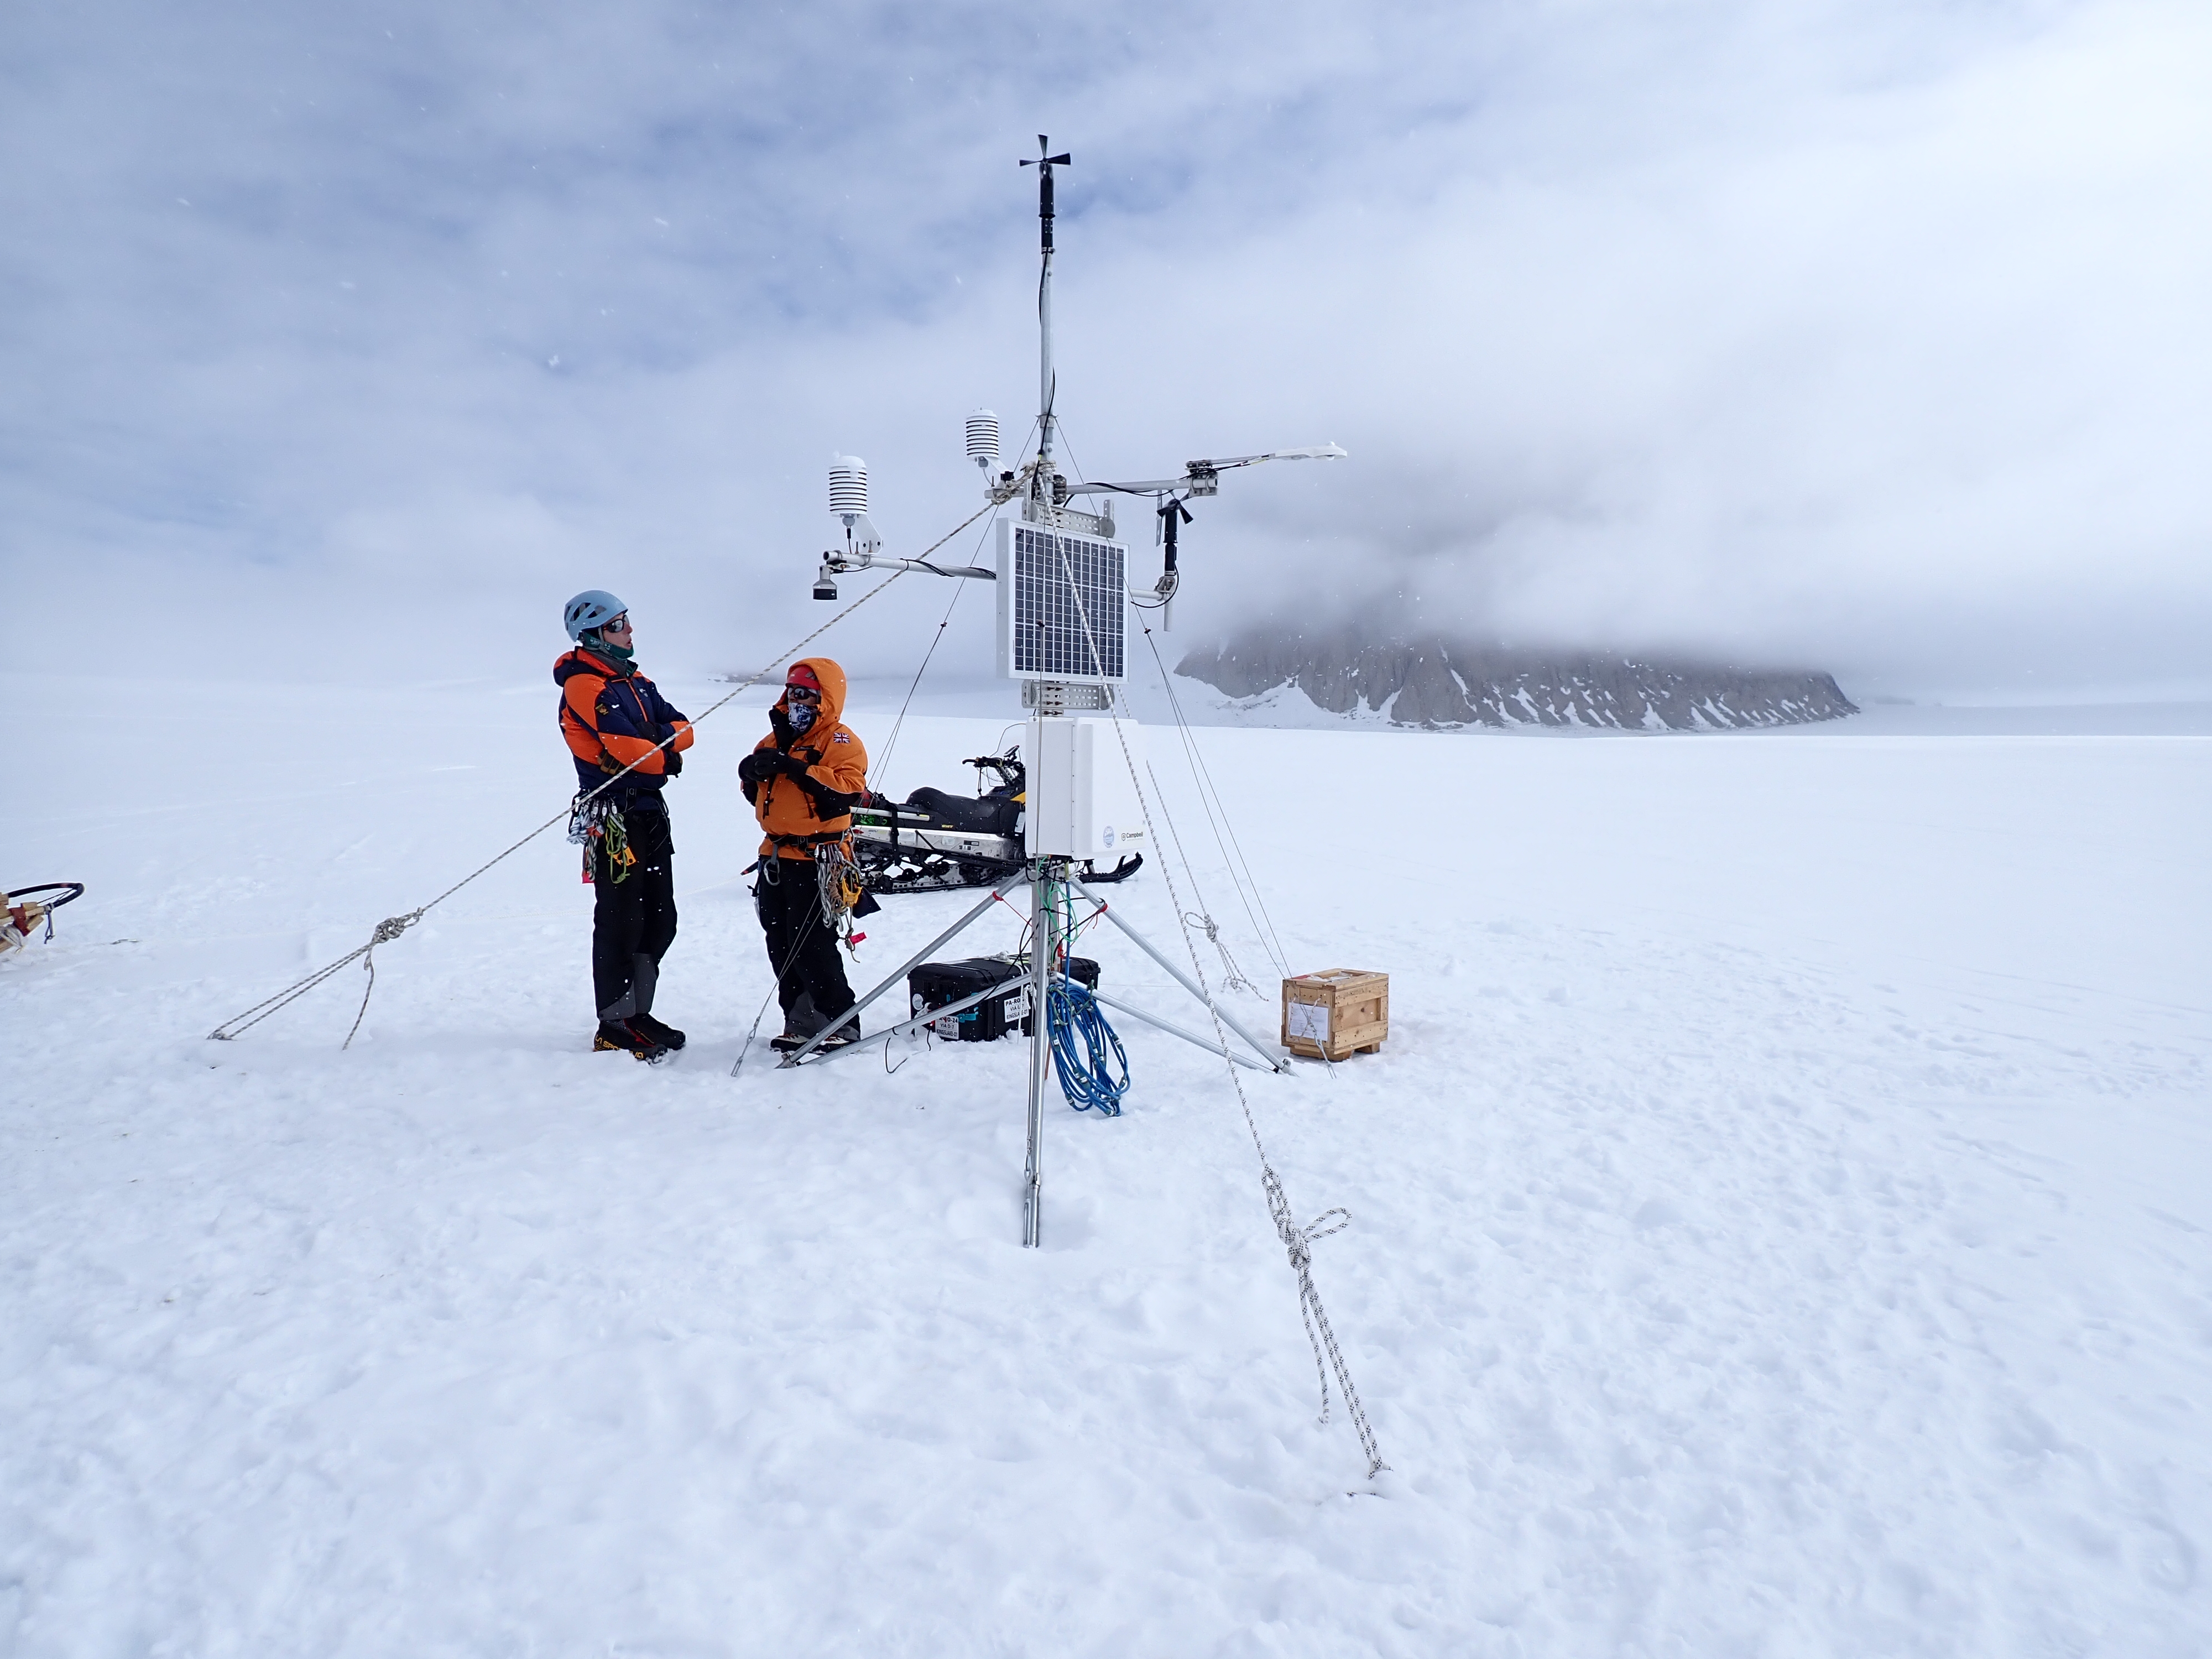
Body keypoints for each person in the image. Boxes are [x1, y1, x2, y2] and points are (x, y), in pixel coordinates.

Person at [556, 590, 695, 1060]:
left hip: (648, 814)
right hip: (614, 816)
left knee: (660, 917)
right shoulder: (583, 684)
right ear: (593, 635)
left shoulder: (637, 682)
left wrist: (658, 748)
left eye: (627, 622)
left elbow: (684, 729)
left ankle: (637, 1013)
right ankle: (614, 1022)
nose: (630, 631)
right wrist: (660, 752)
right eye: (619, 625)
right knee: (622, 918)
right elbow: (631, 751)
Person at [738, 658, 869, 1051]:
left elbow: (846, 792)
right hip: (777, 855)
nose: (799, 700)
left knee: (812, 942)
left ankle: (839, 1021)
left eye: (808, 694)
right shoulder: (773, 740)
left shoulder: (840, 741)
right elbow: (758, 798)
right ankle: (799, 1019)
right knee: (779, 940)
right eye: (793, 692)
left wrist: (795, 769)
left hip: (819, 857)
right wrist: (751, 773)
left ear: (825, 698)